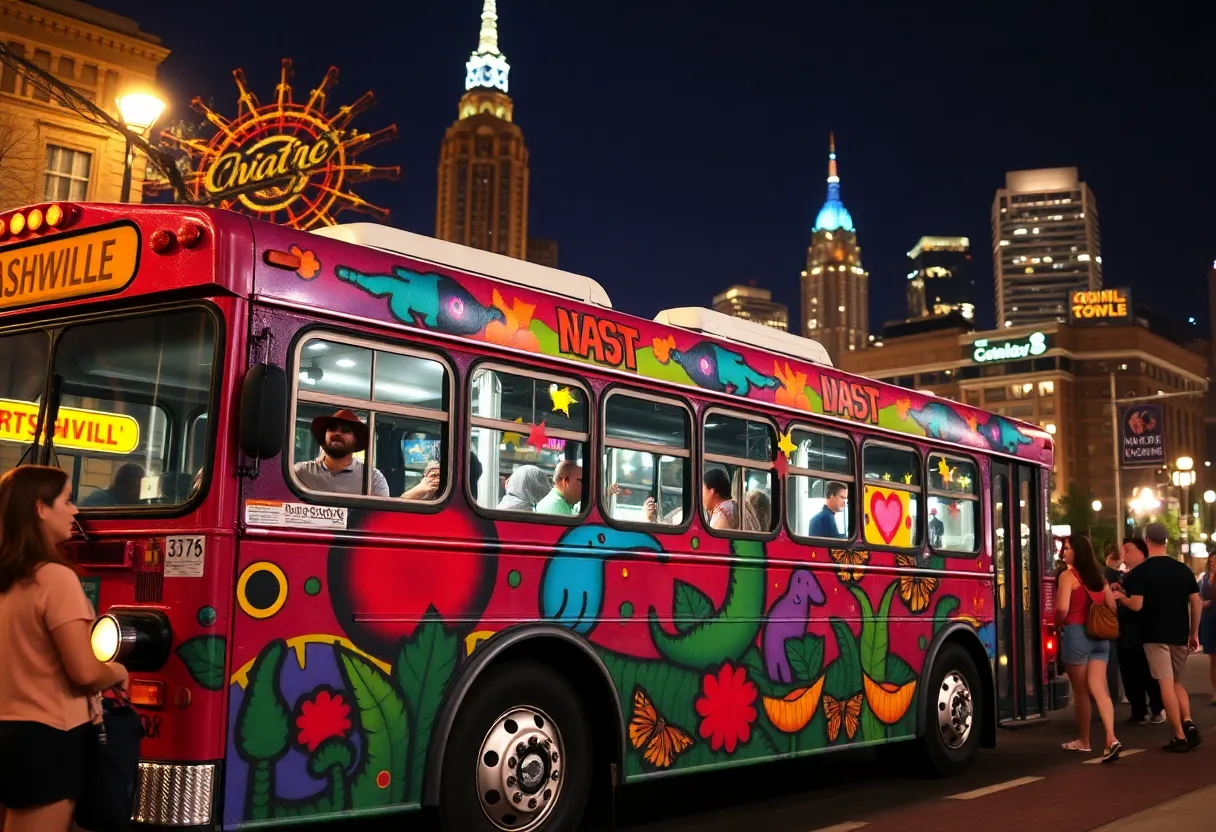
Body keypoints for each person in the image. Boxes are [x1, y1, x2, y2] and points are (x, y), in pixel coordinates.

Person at [0, 466, 129, 832]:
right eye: (68, 500)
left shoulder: (8, 579)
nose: (76, 511)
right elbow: (85, 672)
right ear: (41, 508)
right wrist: (118, 672)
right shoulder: (56, 579)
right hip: (46, 738)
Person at [1114, 522, 1203, 752]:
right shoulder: (1183, 569)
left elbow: (1136, 604)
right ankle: (1188, 721)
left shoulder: (1142, 571)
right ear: (1166, 541)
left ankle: (1180, 737)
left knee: (1165, 684)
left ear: (1147, 540)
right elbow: (1196, 601)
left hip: (1154, 635)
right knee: (1176, 682)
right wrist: (1194, 633)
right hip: (1179, 634)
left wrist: (1119, 597)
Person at [1056, 534, 1122, 761]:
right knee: (1099, 689)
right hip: (1101, 638)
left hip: (1076, 635)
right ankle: (1111, 738)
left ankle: (1084, 740)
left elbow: (1062, 609)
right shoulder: (1099, 577)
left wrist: (1057, 625)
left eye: (1068, 548)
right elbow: (1112, 606)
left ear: (1078, 552)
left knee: (1081, 691)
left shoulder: (1067, 576)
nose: (1064, 551)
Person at [1116, 538, 1165, 725]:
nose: (1123, 554)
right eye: (1123, 551)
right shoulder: (1134, 574)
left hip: (1136, 631)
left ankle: (1147, 710)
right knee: (1141, 672)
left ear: (1141, 553)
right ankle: (1149, 709)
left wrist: (1120, 596)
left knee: (1138, 671)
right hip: (1139, 630)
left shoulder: (1138, 574)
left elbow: (1136, 604)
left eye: (1128, 550)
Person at [293, 410, 389, 497]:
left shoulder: (373, 479)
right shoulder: (300, 473)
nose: (337, 433)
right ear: (325, 435)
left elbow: (381, 515)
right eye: (332, 429)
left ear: (355, 439)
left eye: (345, 430)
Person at [1102, 542, 1125, 704]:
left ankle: (1109, 694)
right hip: (1119, 619)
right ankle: (1116, 694)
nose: (1116, 561)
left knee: (1108, 661)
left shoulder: (1100, 574)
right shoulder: (1122, 576)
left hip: (1104, 621)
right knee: (1115, 661)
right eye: (1114, 558)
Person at [78, 462, 144, 507]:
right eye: (137, 487)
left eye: (142, 487)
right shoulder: (98, 500)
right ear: (124, 485)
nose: (140, 491)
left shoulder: (141, 503)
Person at [1199, 556, 1216, 706]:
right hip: (1209, 618)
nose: (1213, 563)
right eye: (1211, 561)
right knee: (1213, 658)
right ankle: (1215, 691)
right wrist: (1202, 603)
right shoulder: (1204, 578)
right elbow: (1197, 596)